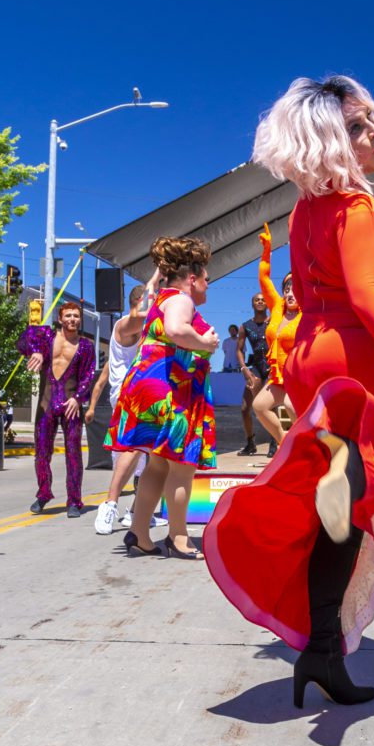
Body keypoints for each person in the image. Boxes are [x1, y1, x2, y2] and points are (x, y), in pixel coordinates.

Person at [204, 75, 374, 708]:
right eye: (356, 127)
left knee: (340, 510)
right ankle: (321, 646)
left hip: (321, 358)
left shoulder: (307, 208)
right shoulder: (353, 208)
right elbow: (365, 294)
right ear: (326, 142)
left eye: (372, 120)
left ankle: (321, 647)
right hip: (357, 360)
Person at [105, 237, 219, 558]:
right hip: (172, 394)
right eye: (206, 280)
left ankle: (139, 533)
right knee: (182, 467)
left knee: (157, 467)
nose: (208, 286)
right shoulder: (181, 299)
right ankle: (178, 537)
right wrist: (205, 343)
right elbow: (176, 330)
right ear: (192, 279)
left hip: (150, 389)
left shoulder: (161, 298)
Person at [86, 284, 155, 535]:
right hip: (129, 397)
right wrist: (157, 276)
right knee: (134, 452)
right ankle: (110, 504)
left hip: (144, 396)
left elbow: (104, 377)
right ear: (138, 302)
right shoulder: (126, 325)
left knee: (151, 458)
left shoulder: (145, 334)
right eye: (151, 300)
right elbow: (143, 314)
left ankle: (136, 512)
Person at [17, 301, 96, 517]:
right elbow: (25, 337)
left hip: (70, 405)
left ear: (81, 320)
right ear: (60, 319)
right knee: (42, 453)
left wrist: (78, 399)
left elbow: (88, 376)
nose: (72, 319)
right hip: (46, 404)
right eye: (68, 315)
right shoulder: (46, 338)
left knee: (73, 454)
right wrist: (37, 352)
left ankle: (74, 501)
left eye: (76, 316)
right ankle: (44, 493)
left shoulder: (86, 346)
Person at [251, 223, 301, 457]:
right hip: (278, 377)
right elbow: (263, 276)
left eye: (296, 288)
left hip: (300, 377)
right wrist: (267, 250)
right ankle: (285, 443)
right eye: (287, 288)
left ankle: (308, 449)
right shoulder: (277, 307)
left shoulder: (309, 314)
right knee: (259, 406)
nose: (291, 292)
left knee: (292, 406)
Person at [235, 293, 269, 456]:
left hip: (273, 366)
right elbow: (239, 350)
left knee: (271, 406)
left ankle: (274, 443)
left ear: (267, 303)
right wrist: (244, 369)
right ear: (252, 304)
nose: (260, 301)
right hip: (255, 367)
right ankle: (250, 443)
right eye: (257, 299)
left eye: (263, 299)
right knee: (244, 408)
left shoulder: (274, 322)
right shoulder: (245, 326)